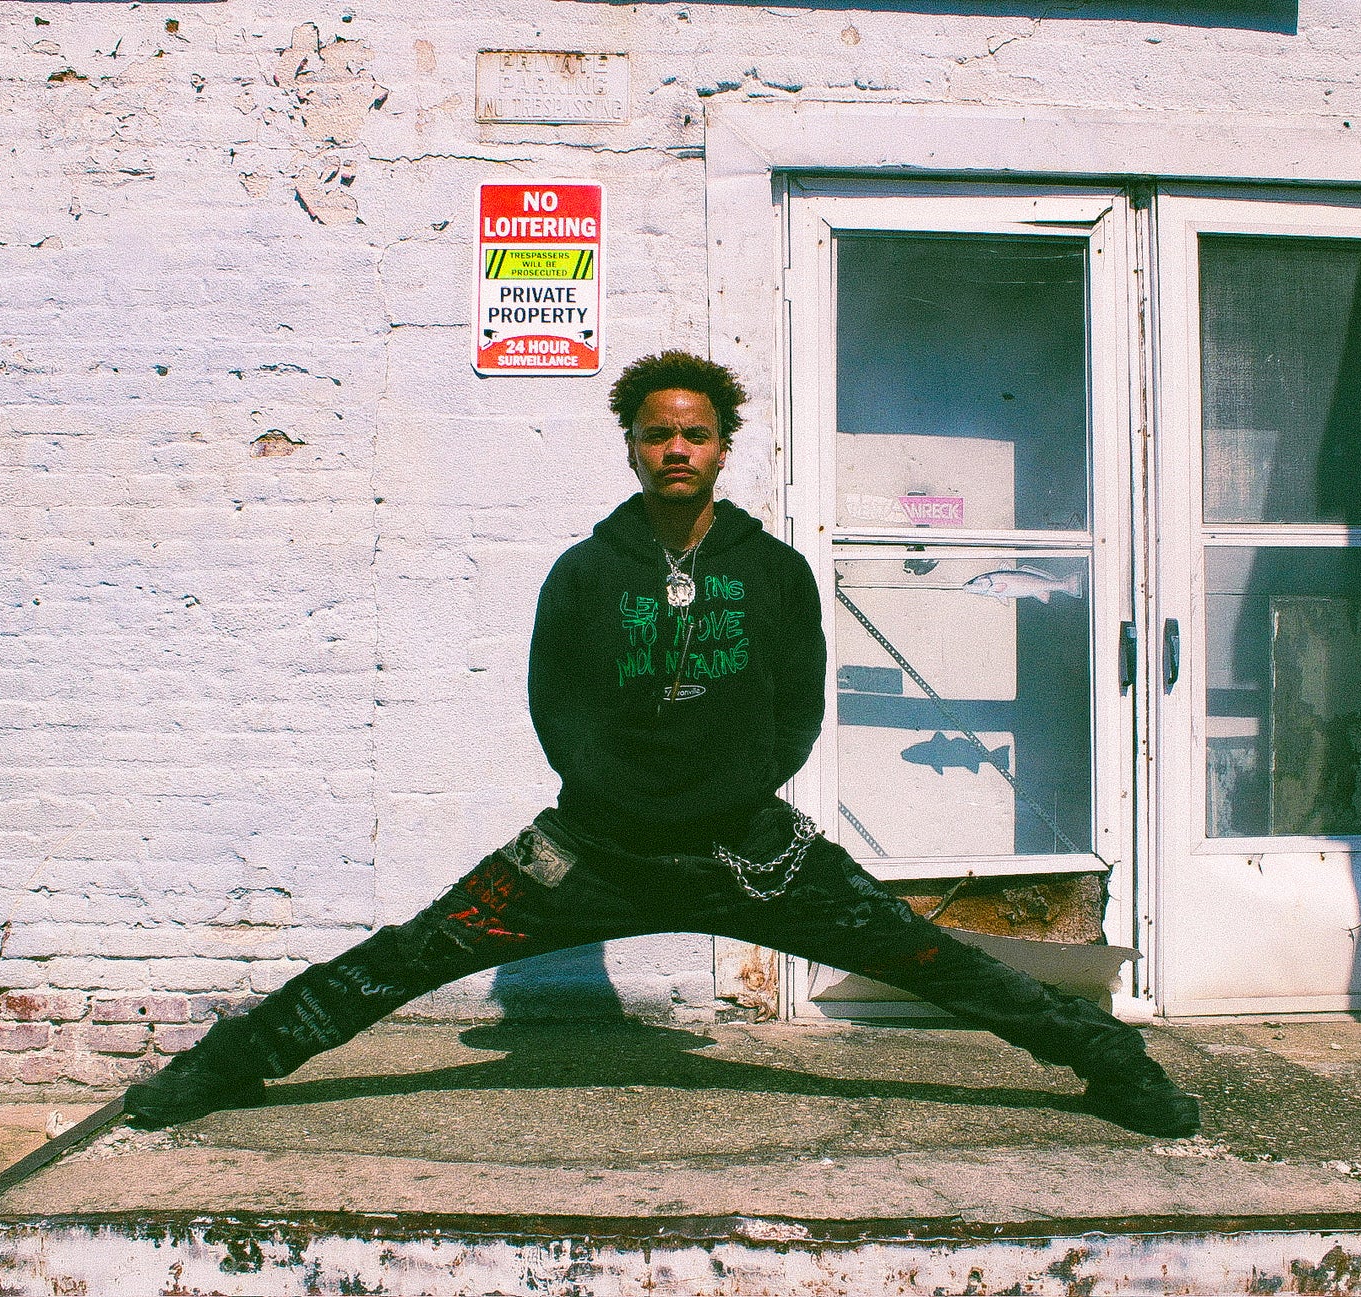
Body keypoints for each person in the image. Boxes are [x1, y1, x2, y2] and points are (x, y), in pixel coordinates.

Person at [122, 351, 1201, 1138]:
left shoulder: (771, 572)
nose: (674, 447)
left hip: (749, 851)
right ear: (631, 445)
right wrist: (616, 796)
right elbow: (557, 706)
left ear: (722, 446)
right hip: (592, 850)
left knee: (928, 957)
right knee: (411, 952)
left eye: (693, 432)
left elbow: (797, 707)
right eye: (654, 431)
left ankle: (1112, 1064)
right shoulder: (585, 573)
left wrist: (732, 789)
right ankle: (225, 1067)